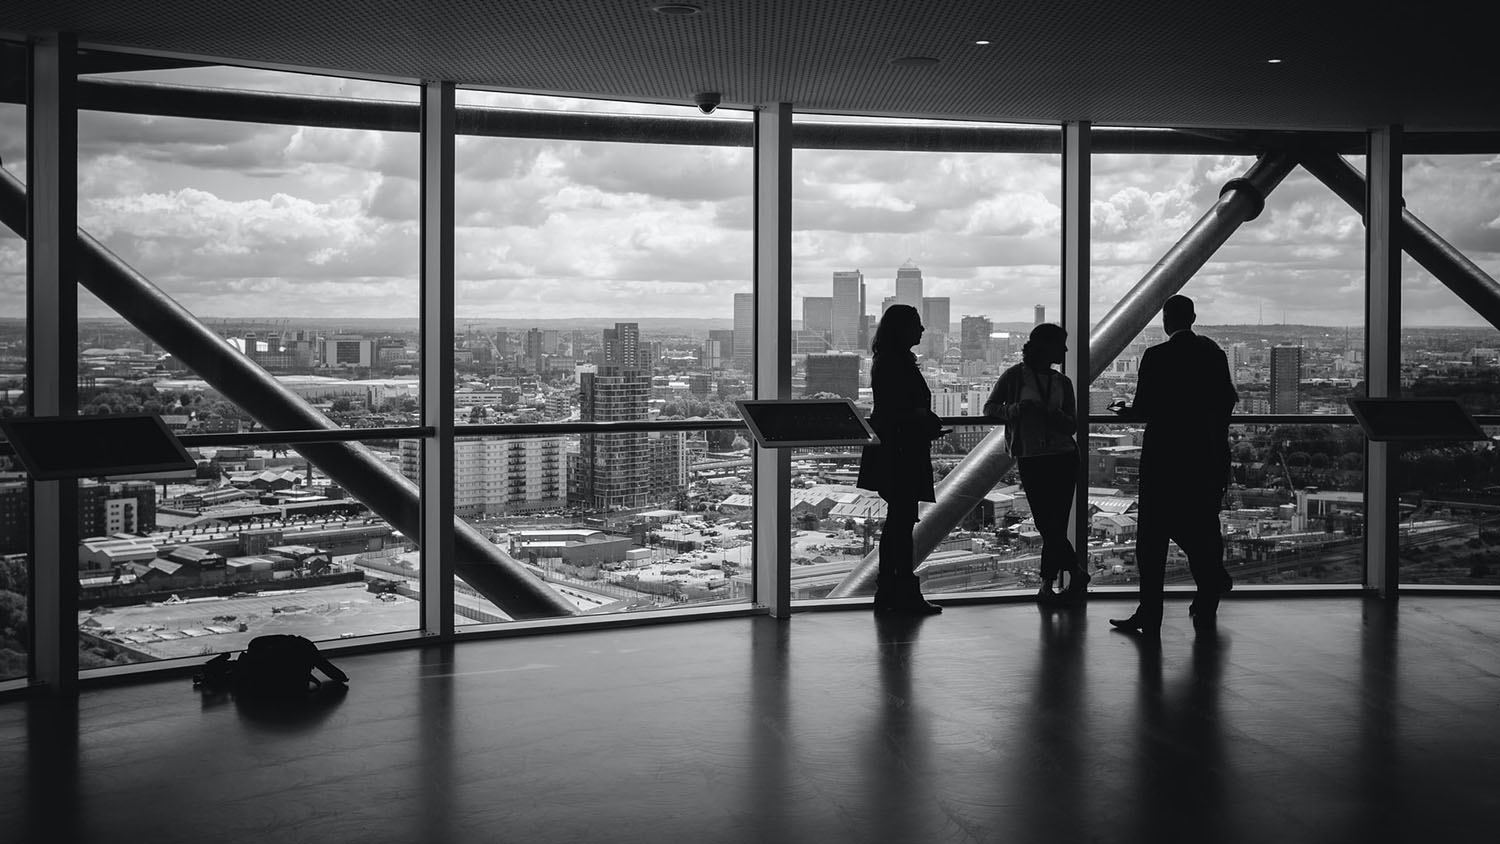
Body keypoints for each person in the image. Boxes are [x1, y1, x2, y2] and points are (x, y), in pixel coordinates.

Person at [1109, 295, 1238, 635]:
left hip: (1164, 458)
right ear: (1193, 318)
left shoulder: (1156, 356)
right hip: (1205, 458)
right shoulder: (1214, 356)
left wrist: (1124, 412)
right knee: (1204, 527)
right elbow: (1227, 402)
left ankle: (1150, 613)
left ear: (1166, 322)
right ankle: (1209, 593)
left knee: (1152, 539)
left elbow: (1145, 409)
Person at [984, 323, 1088, 606]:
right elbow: (990, 408)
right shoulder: (1015, 377)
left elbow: (1071, 425)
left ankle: (1047, 585)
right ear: (1046, 347)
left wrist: (1048, 413)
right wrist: (1016, 410)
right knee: (1048, 524)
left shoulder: (1061, 382)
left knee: (1052, 524)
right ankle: (1074, 573)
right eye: (1061, 344)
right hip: (1038, 457)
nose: (1065, 350)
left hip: (1060, 456)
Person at [856, 304, 946, 614]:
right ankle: (901, 591)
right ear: (902, 330)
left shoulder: (886, 361)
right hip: (902, 452)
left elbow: (892, 409)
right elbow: (903, 409)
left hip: (893, 450)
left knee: (898, 523)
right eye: (917, 325)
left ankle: (892, 591)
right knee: (901, 524)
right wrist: (925, 422)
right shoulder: (898, 363)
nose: (922, 331)